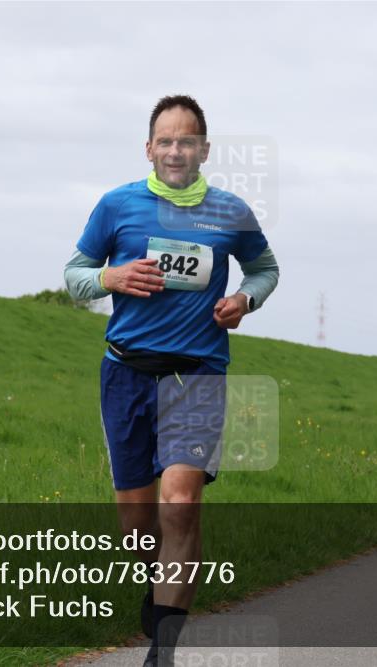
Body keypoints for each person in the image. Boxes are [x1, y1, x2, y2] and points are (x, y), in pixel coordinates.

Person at [63, 95, 279, 667]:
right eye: (166, 140)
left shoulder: (231, 211)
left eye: (187, 141)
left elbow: (265, 269)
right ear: (149, 147)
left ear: (204, 149)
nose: (176, 150)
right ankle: (155, 584)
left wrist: (243, 299)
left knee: (180, 504)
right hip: (127, 373)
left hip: (198, 374)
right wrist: (111, 276)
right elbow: (74, 276)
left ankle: (164, 647)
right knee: (136, 525)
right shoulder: (117, 206)